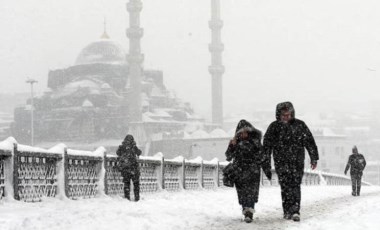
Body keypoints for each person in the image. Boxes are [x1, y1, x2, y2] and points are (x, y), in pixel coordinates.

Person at [263, 102, 319, 222]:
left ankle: (295, 210)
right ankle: (287, 211)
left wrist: (314, 158)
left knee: (295, 185)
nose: (286, 117)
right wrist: (265, 161)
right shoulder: (274, 127)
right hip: (281, 162)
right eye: (283, 115)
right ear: (279, 115)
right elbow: (266, 146)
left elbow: (309, 142)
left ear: (292, 114)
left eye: (288, 115)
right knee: (285, 186)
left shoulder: (300, 125)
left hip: (297, 162)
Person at [225, 119, 272, 223]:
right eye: (241, 132)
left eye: (245, 131)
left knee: (251, 192)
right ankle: (245, 210)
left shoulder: (255, 142)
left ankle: (249, 212)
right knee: (242, 193)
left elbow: (263, 157)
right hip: (239, 171)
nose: (243, 134)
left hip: (253, 171)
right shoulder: (235, 143)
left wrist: (267, 170)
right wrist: (231, 146)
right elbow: (228, 157)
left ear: (249, 131)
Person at [116, 134, 141, 201]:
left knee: (126, 184)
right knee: (136, 184)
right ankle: (137, 198)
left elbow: (117, 153)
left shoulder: (122, 147)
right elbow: (139, 153)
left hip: (125, 169)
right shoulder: (133, 147)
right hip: (134, 168)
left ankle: (127, 198)